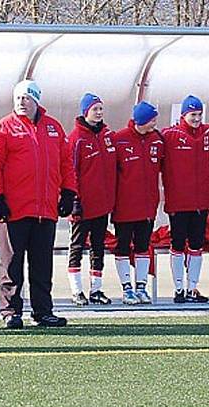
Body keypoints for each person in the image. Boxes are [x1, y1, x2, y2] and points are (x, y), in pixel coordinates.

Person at [0, 80, 77, 329]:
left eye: (26, 98)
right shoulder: (3, 128)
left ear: (36, 100)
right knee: (11, 262)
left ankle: (43, 311)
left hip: (45, 209)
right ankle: (10, 311)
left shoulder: (53, 128)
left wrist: (68, 192)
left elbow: (66, 163)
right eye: (18, 99)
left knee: (42, 263)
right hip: (14, 209)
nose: (21, 102)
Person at [161, 95, 209, 303]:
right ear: (183, 115)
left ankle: (192, 287)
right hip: (179, 202)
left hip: (201, 202)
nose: (196, 118)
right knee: (178, 243)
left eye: (199, 114)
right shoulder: (170, 135)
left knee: (197, 244)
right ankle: (179, 288)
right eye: (192, 115)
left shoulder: (208, 134)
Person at [112, 101, 163, 305]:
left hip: (148, 205)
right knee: (123, 246)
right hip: (124, 206)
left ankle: (141, 287)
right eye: (152, 120)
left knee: (143, 246)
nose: (154, 124)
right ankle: (126, 289)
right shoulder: (119, 140)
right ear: (141, 120)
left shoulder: (157, 141)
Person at [66, 93, 114, 306]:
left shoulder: (106, 135)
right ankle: (76, 290)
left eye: (101, 109)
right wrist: (74, 199)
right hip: (82, 205)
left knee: (98, 247)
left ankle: (96, 289)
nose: (99, 113)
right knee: (77, 246)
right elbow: (70, 170)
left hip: (101, 204)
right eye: (95, 109)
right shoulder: (77, 138)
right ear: (85, 112)